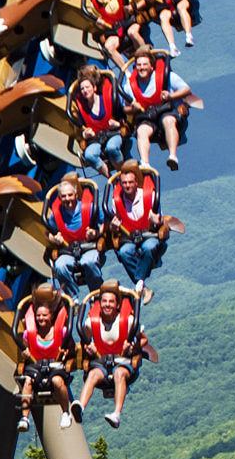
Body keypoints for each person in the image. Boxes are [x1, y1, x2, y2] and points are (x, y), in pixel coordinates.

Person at [75, 282, 146, 428]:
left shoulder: (129, 322)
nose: (107, 305)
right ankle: (80, 407)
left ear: (118, 305)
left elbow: (143, 340)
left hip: (123, 361)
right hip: (100, 362)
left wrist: (133, 348)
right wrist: (89, 349)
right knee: (93, 375)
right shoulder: (90, 323)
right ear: (100, 304)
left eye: (111, 302)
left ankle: (116, 414)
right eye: (104, 301)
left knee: (119, 373)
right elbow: (85, 341)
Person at [16, 285, 79, 432]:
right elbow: (24, 346)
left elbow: (72, 348)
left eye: (44, 316)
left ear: (51, 315)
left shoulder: (61, 332)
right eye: (38, 316)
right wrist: (24, 353)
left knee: (57, 381)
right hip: (36, 365)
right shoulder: (29, 334)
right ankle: (25, 417)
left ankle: (65, 413)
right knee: (27, 382)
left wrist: (66, 353)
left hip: (55, 365)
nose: (41, 319)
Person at [120, 48, 191, 170]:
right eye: (139, 65)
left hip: (166, 111)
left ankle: (172, 156)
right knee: (141, 130)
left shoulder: (165, 76)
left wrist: (171, 96)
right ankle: (145, 163)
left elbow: (186, 89)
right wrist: (132, 108)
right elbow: (123, 108)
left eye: (144, 64)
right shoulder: (130, 86)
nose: (141, 67)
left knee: (168, 120)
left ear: (152, 67)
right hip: (147, 116)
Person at [107, 161, 164, 304]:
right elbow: (115, 224)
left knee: (149, 247)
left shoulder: (149, 196)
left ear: (136, 182)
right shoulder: (117, 201)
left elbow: (160, 220)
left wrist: (156, 220)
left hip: (149, 234)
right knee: (124, 252)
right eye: (124, 183)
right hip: (129, 237)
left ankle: (139, 283)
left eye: (130, 182)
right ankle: (143, 287)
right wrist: (114, 227)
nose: (127, 186)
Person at [46, 175, 105, 300]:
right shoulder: (56, 214)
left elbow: (104, 224)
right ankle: (73, 299)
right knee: (60, 266)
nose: (67, 199)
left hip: (88, 246)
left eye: (70, 195)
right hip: (67, 249)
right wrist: (55, 239)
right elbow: (48, 233)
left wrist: (96, 233)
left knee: (89, 262)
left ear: (76, 195)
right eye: (64, 196)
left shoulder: (89, 208)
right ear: (60, 198)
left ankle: (97, 295)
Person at [85, 0, 144, 70]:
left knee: (132, 33)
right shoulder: (96, 2)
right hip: (115, 30)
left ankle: (146, 56)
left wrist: (133, 7)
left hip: (130, 22)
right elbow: (100, 26)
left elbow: (143, 1)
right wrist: (99, 25)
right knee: (108, 46)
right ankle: (127, 72)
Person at [71, 65, 126, 176]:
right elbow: (80, 128)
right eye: (82, 89)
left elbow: (123, 117)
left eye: (87, 87)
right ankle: (109, 176)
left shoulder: (108, 98)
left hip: (113, 132)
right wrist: (84, 133)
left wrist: (118, 124)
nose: (85, 91)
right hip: (96, 138)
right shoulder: (81, 108)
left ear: (94, 88)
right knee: (89, 155)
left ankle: (122, 173)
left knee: (111, 148)